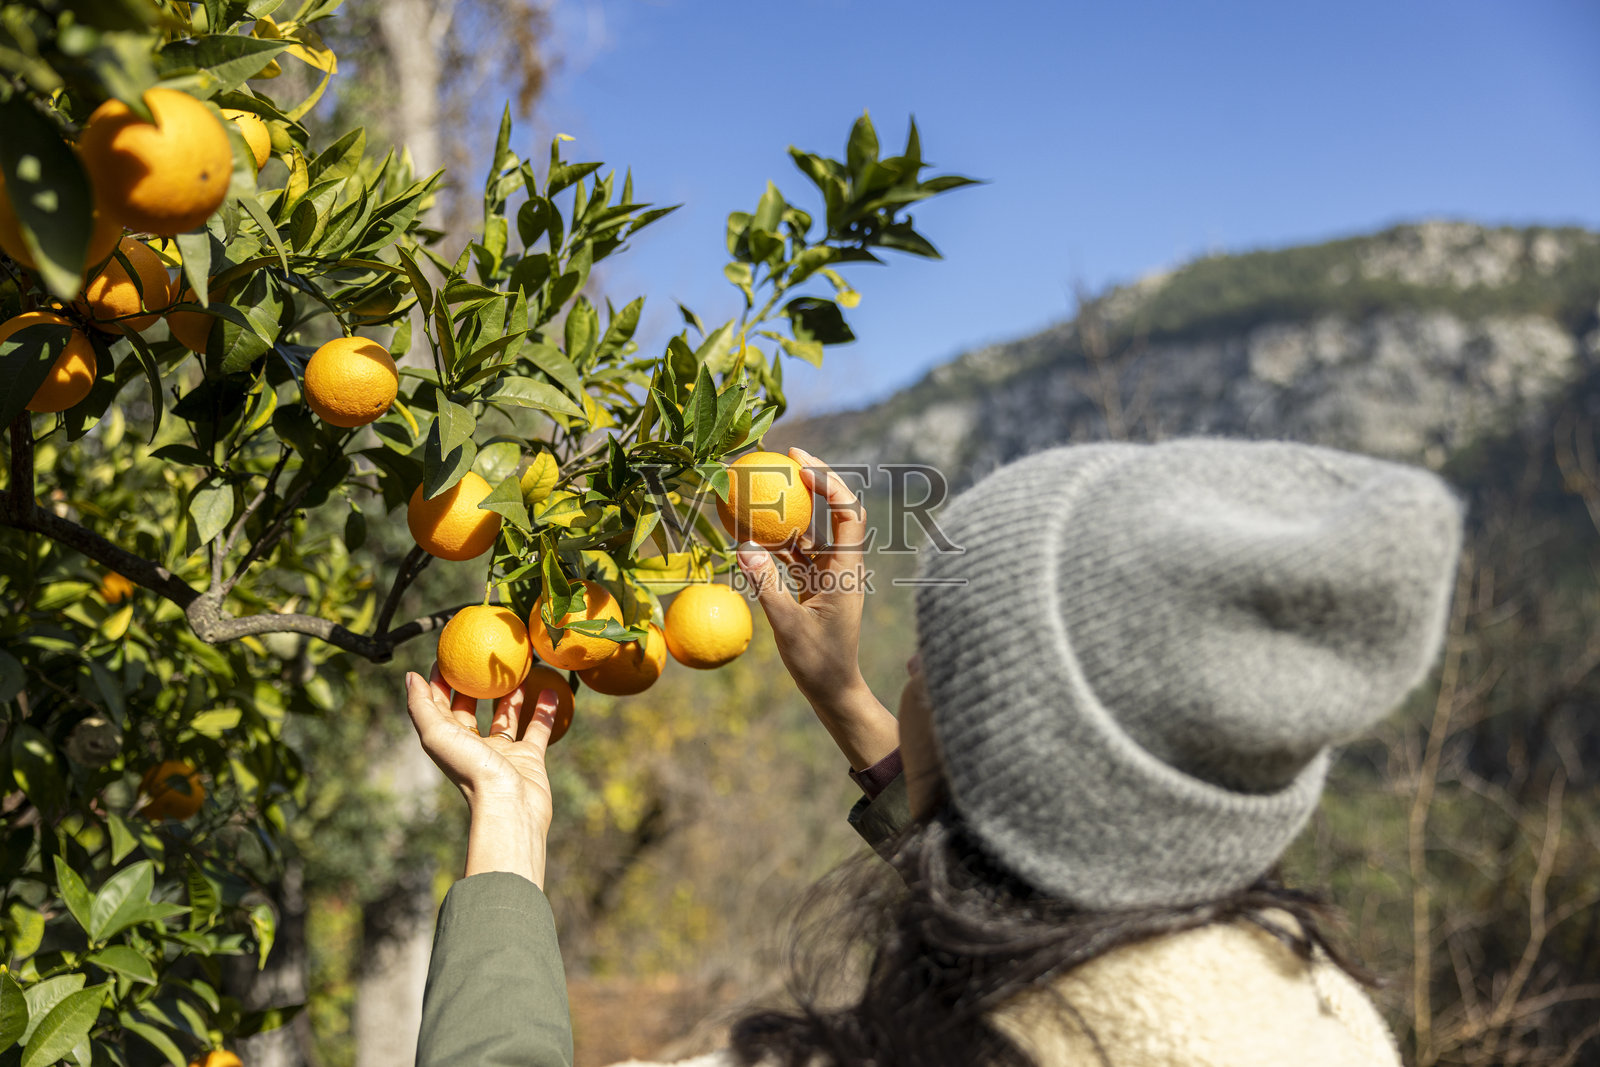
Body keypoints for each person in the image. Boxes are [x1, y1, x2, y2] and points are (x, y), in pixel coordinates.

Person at [405, 438, 1464, 1066]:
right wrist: (843, 693)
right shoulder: (1323, 1017)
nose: (911, 667)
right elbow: (1030, 851)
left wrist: (508, 817)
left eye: (939, 659)